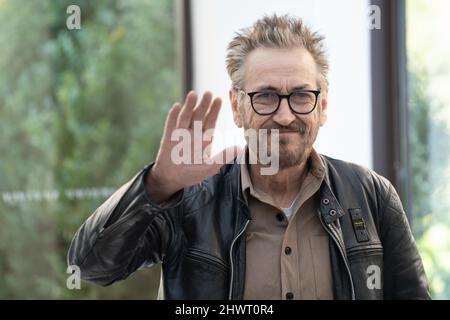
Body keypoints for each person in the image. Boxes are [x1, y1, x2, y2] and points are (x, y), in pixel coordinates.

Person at [68, 14, 430, 300]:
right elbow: (91, 267)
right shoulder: (189, 197)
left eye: (301, 96)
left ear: (322, 107)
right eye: (266, 96)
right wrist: (158, 184)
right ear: (238, 107)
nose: (285, 116)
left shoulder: (372, 196)